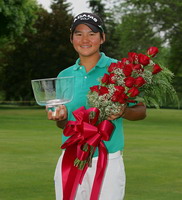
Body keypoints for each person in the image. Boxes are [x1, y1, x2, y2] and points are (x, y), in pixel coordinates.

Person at [48, 12, 146, 200]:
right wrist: (60, 118)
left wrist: (123, 111)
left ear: (102, 38)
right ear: (71, 39)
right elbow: (63, 125)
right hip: (71, 158)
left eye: (92, 33)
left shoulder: (120, 70)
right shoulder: (63, 75)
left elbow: (141, 111)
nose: (85, 39)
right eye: (79, 34)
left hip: (108, 159)